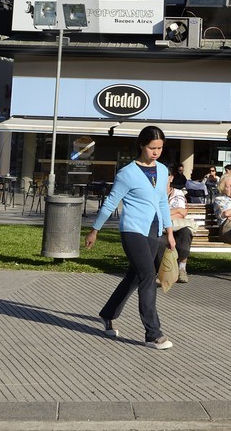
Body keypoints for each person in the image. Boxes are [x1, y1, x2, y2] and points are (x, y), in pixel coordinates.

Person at [85, 126, 174, 349]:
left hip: (154, 228)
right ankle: (153, 333)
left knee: (135, 276)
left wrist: (170, 232)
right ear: (141, 146)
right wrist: (95, 230)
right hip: (132, 229)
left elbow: (162, 202)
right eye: (152, 148)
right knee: (147, 275)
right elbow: (111, 203)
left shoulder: (162, 170)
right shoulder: (127, 173)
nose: (156, 152)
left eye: (160, 148)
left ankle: (107, 313)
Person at [166, 167, 194, 283]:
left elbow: (182, 213)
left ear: (171, 177)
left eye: (166, 175)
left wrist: (166, 214)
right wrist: (175, 210)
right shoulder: (153, 193)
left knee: (185, 233)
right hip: (161, 227)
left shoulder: (178, 193)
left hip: (176, 226)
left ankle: (182, 269)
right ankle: (162, 271)